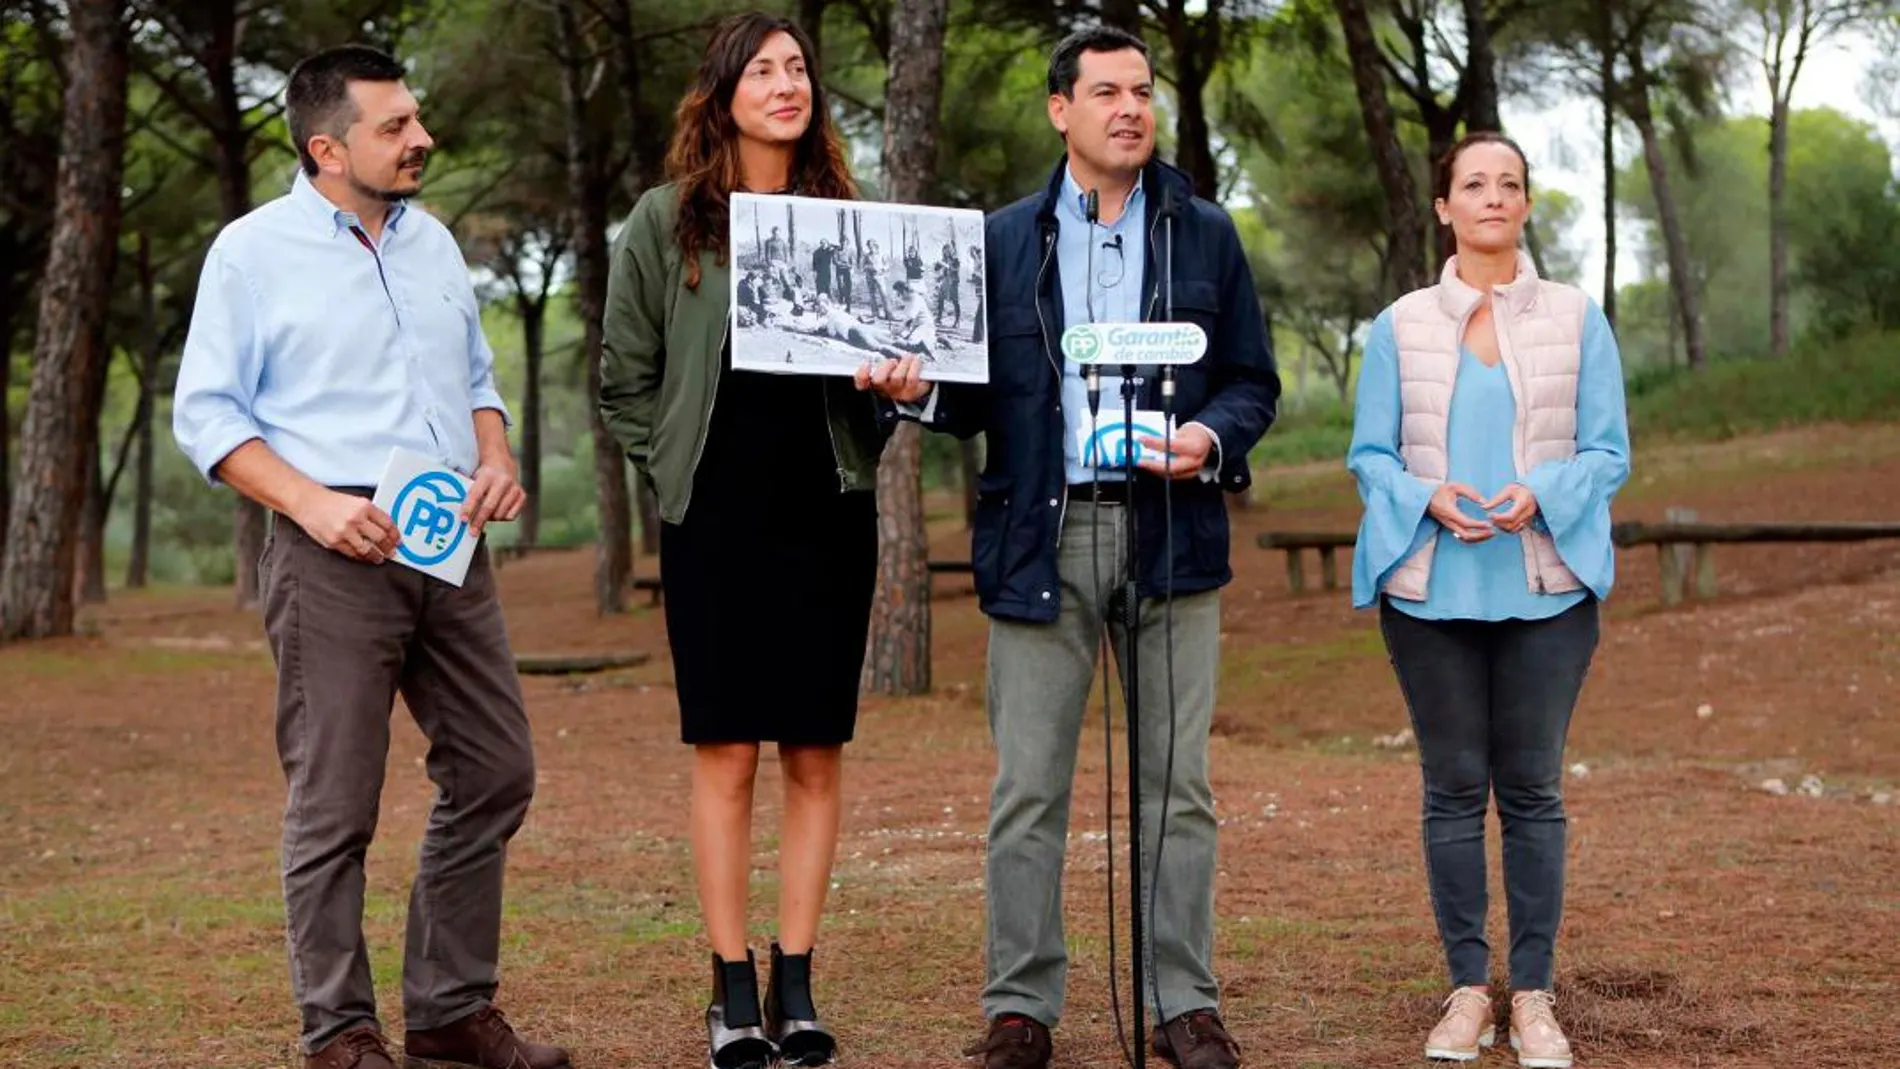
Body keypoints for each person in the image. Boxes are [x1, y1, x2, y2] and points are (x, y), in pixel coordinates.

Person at [858, 26, 1278, 1069]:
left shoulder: (1206, 233)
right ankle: (1020, 1008)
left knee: (1176, 786)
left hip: (1171, 531)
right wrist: (918, 390)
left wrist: (1209, 437)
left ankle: (1182, 1000)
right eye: (1105, 92)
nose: (1129, 108)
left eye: (1142, 91)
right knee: (1029, 787)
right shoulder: (999, 239)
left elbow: (1251, 382)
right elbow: (966, 396)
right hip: (1039, 535)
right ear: (1060, 111)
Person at [169, 45, 566, 1069]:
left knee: (495, 769)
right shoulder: (251, 254)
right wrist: (309, 504)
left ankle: (446, 1009)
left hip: (450, 549)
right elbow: (208, 415)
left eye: (417, 120)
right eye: (394, 127)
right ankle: (339, 1031)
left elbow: (474, 377)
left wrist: (497, 454)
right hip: (329, 552)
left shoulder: (432, 245)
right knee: (336, 801)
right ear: (325, 147)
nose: (421, 139)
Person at [596, 13, 885, 1069]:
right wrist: (675, 471)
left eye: (798, 66)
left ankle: (795, 983)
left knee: (814, 749)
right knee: (725, 753)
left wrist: (892, 390)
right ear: (720, 96)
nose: (785, 83)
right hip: (714, 520)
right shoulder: (664, 222)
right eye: (761, 69)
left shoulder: (852, 222)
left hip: (827, 508)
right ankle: (728, 992)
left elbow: (892, 377)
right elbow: (621, 381)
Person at [1346, 131, 1630, 1069]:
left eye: (1510, 184)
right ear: (1445, 208)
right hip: (1429, 594)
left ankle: (1535, 996)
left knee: (1536, 791)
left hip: (1548, 592)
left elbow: (1607, 453)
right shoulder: (1398, 326)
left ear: (1526, 205)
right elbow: (1370, 457)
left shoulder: (1578, 318)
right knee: (1454, 790)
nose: (1494, 197)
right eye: (1475, 184)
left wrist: (1541, 493)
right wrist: (1425, 495)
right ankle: (1470, 989)